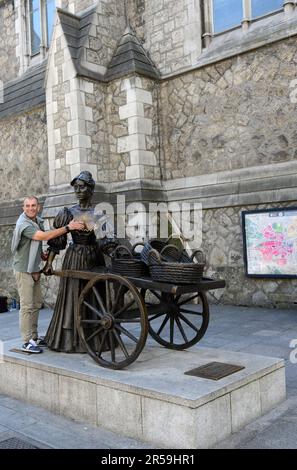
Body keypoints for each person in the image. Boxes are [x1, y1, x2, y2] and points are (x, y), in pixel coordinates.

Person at [43, 170, 116, 353]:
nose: (78, 190)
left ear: (91, 189)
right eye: (75, 187)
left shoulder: (98, 213)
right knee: (73, 297)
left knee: (93, 296)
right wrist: (49, 263)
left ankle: (96, 338)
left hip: (94, 258)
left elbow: (106, 241)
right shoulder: (68, 212)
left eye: (82, 186)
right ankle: (70, 340)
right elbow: (56, 242)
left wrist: (116, 254)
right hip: (74, 258)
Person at [11, 196, 84, 353]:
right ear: (23, 208)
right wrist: (68, 228)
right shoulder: (23, 223)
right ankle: (26, 342)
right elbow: (42, 237)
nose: (30, 208)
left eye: (33, 205)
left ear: (38, 207)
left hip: (34, 268)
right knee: (26, 306)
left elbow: (34, 244)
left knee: (36, 304)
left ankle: (34, 337)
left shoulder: (37, 220)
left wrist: (43, 256)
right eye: (27, 206)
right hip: (24, 269)